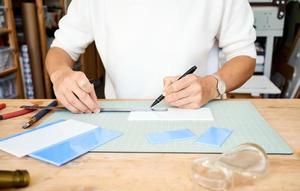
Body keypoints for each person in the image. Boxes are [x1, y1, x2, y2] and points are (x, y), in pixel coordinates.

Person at [46, 0, 256, 113]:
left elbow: (244, 56)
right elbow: (61, 49)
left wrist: (212, 86)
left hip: (200, 115)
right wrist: (61, 75)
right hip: (121, 117)